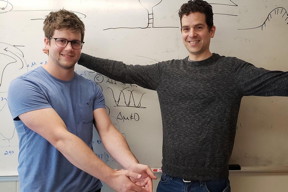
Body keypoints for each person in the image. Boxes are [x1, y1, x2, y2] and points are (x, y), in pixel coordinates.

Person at [76, 0, 288, 192]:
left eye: (199, 27)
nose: (192, 34)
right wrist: (77, 54)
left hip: (211, 185)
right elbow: (123, 71)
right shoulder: (165, 73)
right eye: (186, 28)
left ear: (211, 31)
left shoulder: (232, 71)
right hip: (170, 182)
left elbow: (280, 82)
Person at [8, 9, 156, 192]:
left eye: (75, 42)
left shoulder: (91, 88)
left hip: (89, 188)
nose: (69, 48)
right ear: (47, 42)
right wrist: (112, 177)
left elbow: (108, 131)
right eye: (61, 40)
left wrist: (131, 166)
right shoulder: (26, 86)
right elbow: (61, 138)